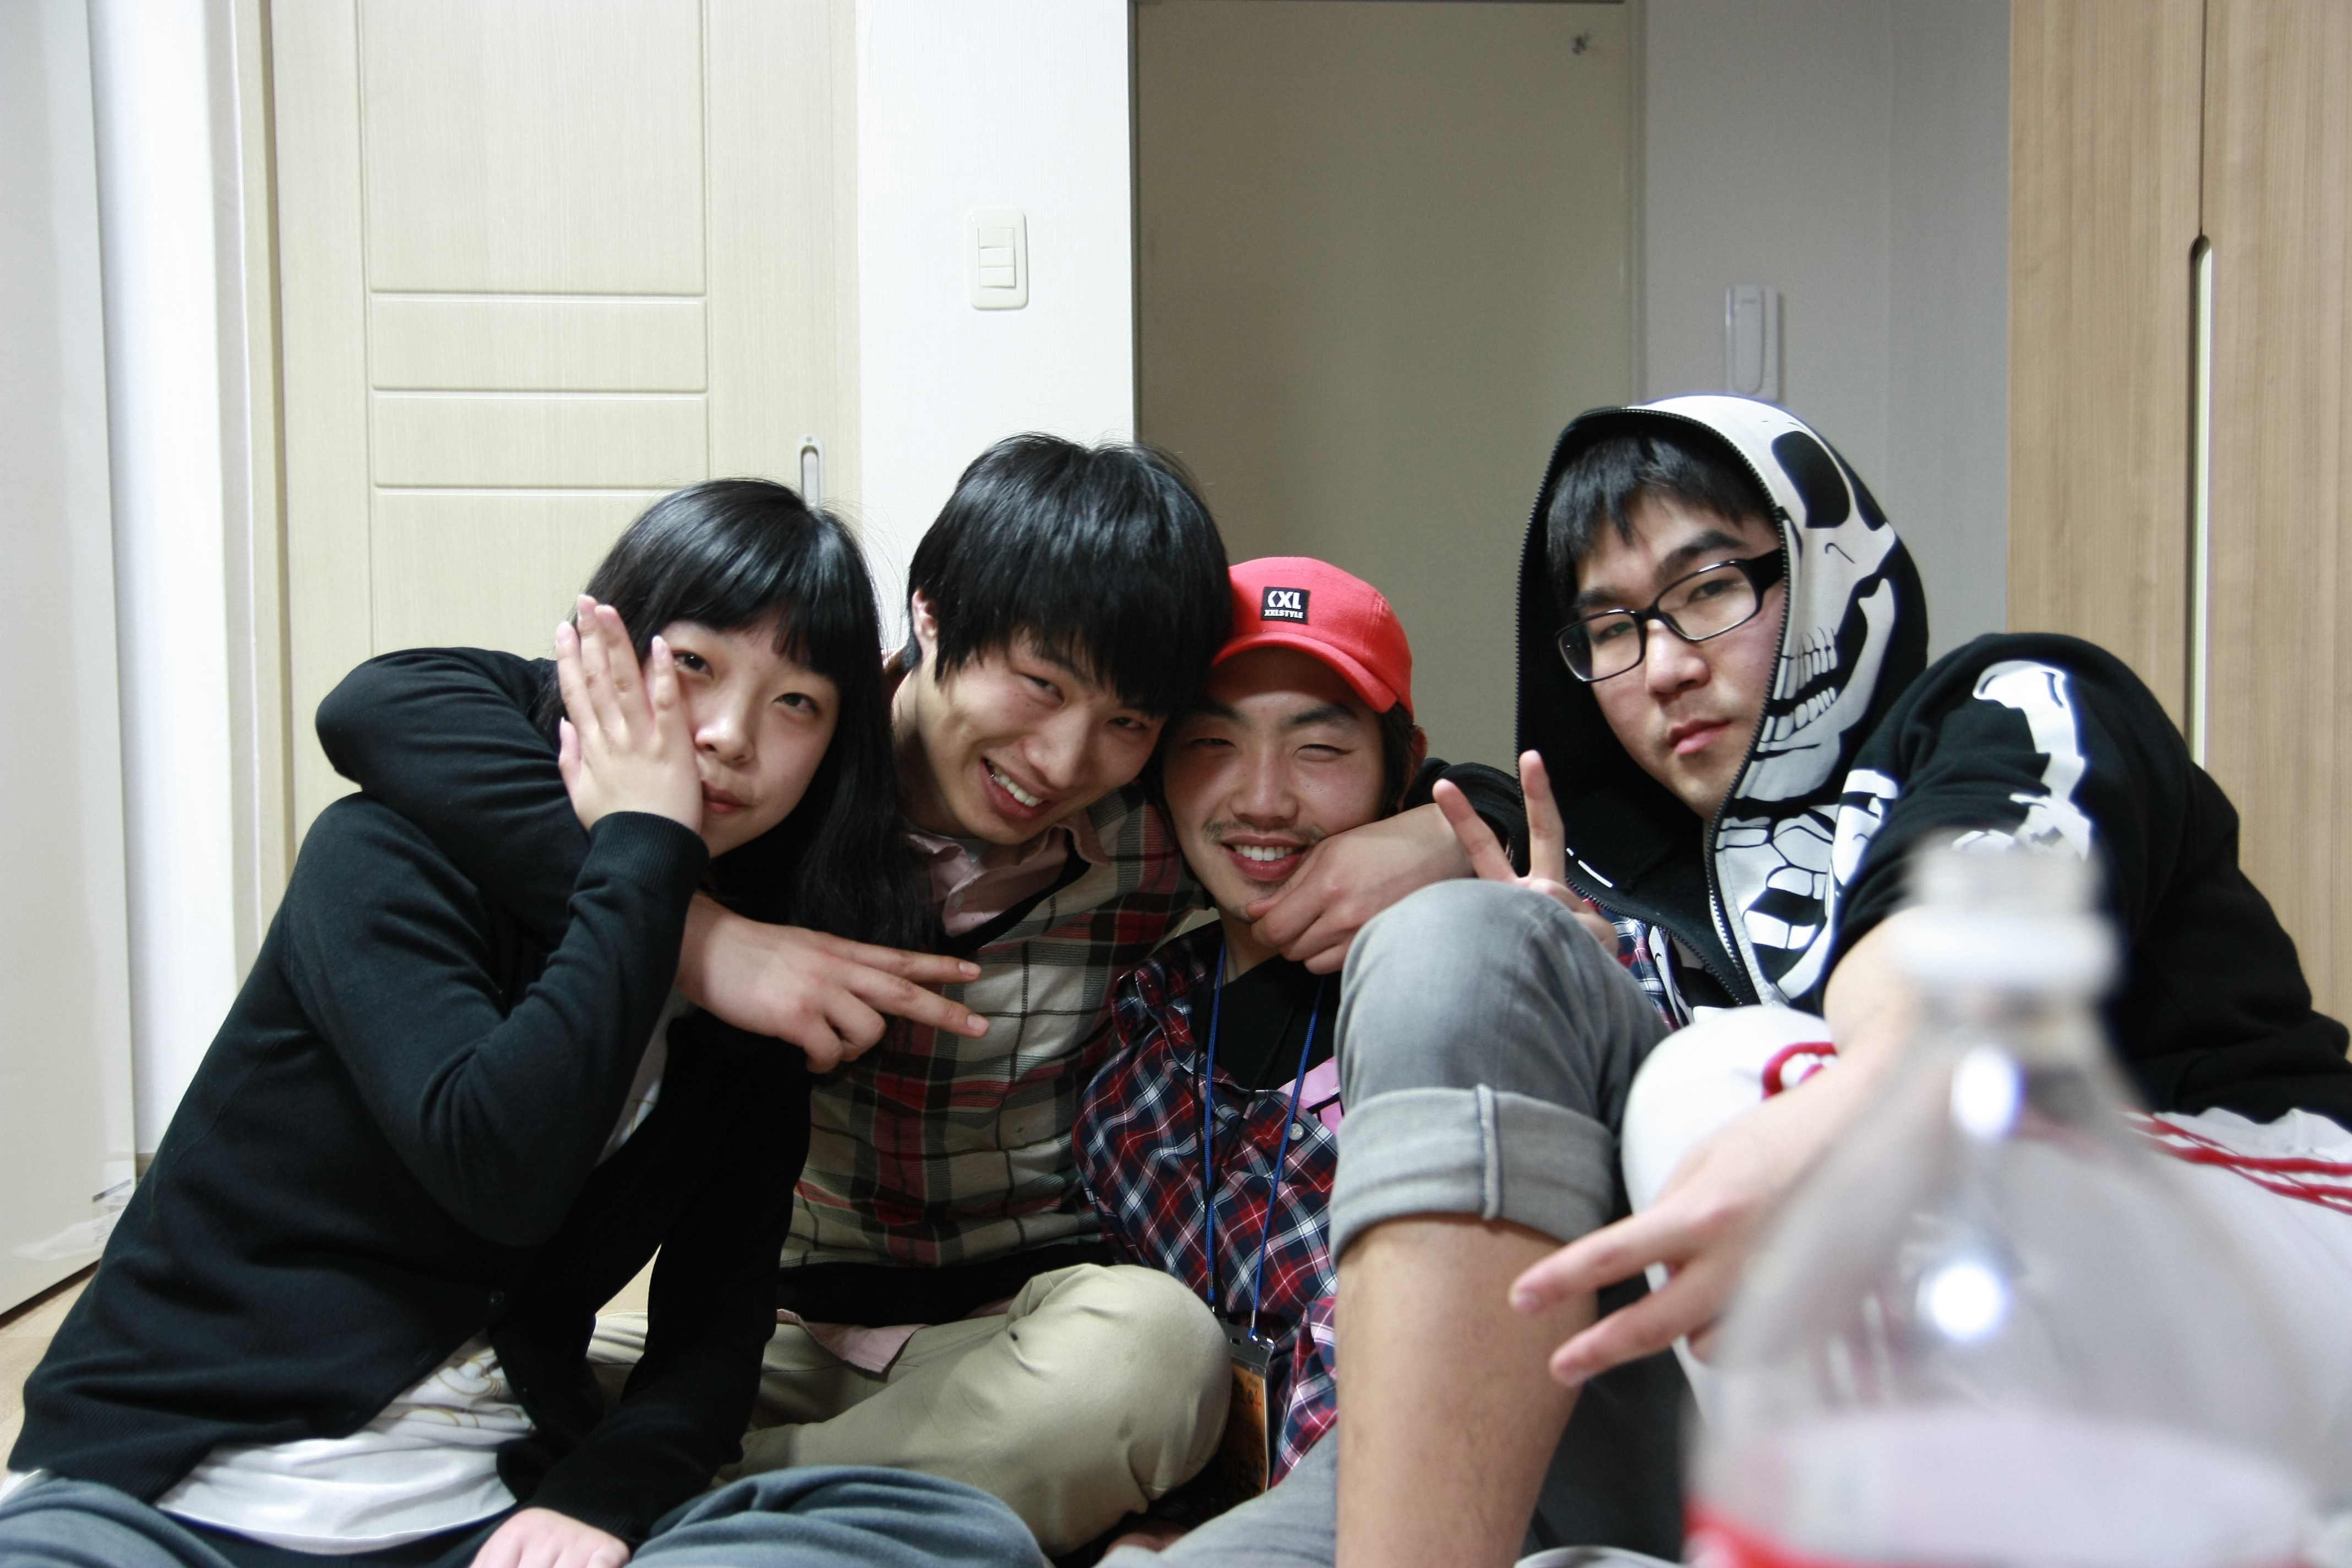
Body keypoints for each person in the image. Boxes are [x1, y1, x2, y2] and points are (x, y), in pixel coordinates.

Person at [1130, 394, 2352, 1568]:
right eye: (1613, 628)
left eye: (1709, 589)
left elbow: (1956, 949)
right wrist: (1521, 953)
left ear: (1821, 564)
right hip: (1754, 1373)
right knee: (1470, 952)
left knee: (1709, 1080)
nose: (1662, 666)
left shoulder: (2005, 703)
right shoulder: (1635, 893)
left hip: (2223, 1233)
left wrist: (1813, 1110)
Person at [313, 438, 1488, 1553]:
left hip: (1025, 1331)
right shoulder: (788, 767)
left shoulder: (1148, 829)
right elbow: (390, 706)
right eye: (1037, 684)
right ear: (931, 614)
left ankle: (686, 1512)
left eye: (1127, 722)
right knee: (483, 1389)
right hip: (765, 1329)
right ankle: (750, 1505)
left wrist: (1438, 832)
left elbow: (1457, 795)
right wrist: (709, 935)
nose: (1062, 759)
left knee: (1155, 1358)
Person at [0, 482, 1039, 1568]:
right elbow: (496, 1164)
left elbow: (714, 1325)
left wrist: (597, 1503)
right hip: (175, 1489)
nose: (729, 735)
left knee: (960, 1534)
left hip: (479, 1515)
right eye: (693, 663)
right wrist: (649, 849)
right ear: (599, 660)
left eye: (797, 705)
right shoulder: (385, 855)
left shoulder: (768, 992)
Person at [1075, 558, 1526, 1542]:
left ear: (1403, 769)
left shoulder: (1470, 1006)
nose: (1263, 800)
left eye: (1319, 748)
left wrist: (1469, 825)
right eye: (1211, 744)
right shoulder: (1140, 1036)